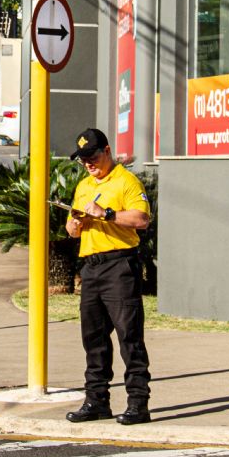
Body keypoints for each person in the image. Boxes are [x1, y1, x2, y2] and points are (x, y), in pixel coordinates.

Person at [64, 128, 152, 426]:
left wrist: (107, 214)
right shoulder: (84, 186)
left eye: (92, 156)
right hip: (91, 266)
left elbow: (141, 219)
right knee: (93, 337)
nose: (88, 163)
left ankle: (138, 404)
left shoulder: (126, 181)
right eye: (83, 159)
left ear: (107, 151)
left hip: (119, 265)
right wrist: (75, 224)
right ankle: (96, 400)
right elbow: (70, 229)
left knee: (129, 335)